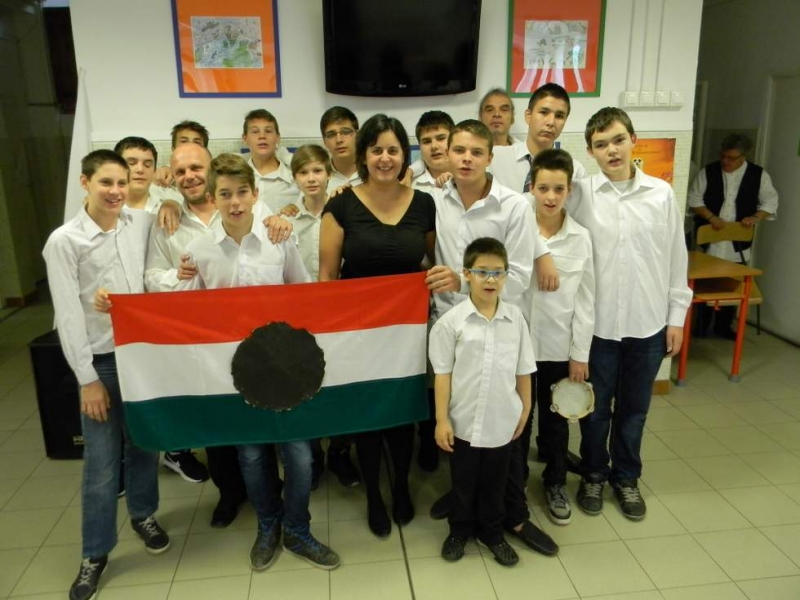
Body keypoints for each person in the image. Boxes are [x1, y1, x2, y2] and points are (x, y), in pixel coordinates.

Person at [176, 153, 339, 571]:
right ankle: (268, 524)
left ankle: (297, 528)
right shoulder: (200, 250)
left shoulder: (278, 239)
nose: (234, 202)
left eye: (242, 192)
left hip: (284, 369)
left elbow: (302, 293)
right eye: (225, 194)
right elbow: (190, 313)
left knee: (300, 456)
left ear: (254, 193)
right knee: (250, 456)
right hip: (235, 374)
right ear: (212, 197)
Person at [424, 119, 559, 557]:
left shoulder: (514, 206)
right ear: (446, 154)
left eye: (476, 152)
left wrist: (462, 281)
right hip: (451, 325)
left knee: (508, 433)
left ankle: (511, 515)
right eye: (458, 150)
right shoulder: (434, 197)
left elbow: (517, 276)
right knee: (460, 420)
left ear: (490, 157)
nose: (466, 159)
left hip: (500, 325)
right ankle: (465, 502)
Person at [145, 143, 292, 529]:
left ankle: (272, 496)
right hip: (212, 348)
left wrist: (282, 221)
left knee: (267, 430)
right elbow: (161, 283)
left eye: (196, 167)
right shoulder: (170, 221)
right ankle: (232, 495)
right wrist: (175, 277)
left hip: (266, 349)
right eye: (181, 171)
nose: (189, 176)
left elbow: (292, 276)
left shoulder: (259, 214)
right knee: (222, 428)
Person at [44, 150, 169, 600]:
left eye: (122, 182)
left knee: (144, 444)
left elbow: (151, 275)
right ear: (85, 183)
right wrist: (87, 380)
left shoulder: (140, 222)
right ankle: (94, 553)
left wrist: (171, 206)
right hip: (101, 362)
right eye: (106, 183)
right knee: (100, 463)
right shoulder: (65, 241)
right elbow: (67, 316)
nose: (116, 191)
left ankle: (143, 515)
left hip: (141, 356)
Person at [569, 107, 692, 520]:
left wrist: (676, 318)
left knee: (634, 411)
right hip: (598, 328)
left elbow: (676, 259)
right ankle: (593, 474)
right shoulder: (581, 195)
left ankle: (626, 478)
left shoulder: (660, 194)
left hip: (648, 325)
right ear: (590, 151)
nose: (612, 150)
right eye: (601, 144)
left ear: (633, 140)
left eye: (618, 140)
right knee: (594, 410)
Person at [319, 113, 436, 537]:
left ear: (404, 155)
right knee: (367, 416)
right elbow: (326, 277)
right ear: (363, 156)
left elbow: (431, 262)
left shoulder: (424, 204)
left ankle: (400, 487)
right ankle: (373, 494)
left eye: (393, 150)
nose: (385, 158)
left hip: (406, 332)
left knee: (402, 414)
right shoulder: (340, 205)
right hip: (358, 332)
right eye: (376, 150)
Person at [430, 237, 535, 567]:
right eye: (482, 272)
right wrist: (442, 420)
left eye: (498, 272)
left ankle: (493, 533)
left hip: (502, 420)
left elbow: (523, 369)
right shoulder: (451, 323)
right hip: (463, 421)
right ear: (466, 274)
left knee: (494, 483)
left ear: (506, 276)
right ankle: (459, 530)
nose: (490, 280)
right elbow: (443, 375)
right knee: (463, 483)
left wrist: (525, 409)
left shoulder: (516, 319)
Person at [524, 149, 595, 525]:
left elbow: (586, 300)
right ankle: (514, 482)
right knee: (519, 418)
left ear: (570, 191)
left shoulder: (581, 238)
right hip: (518, 346)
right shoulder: (517, 227)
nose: (550, 197)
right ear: (531, 188)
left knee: (555, 422)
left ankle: (555, 482)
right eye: (543, 188)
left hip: (557, 346)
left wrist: (579, 354)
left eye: (559, 189)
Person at [687, 133, 779, 339]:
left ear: (743, 157)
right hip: (710, 238)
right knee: (706, 281)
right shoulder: (708, 171)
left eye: (731, 158)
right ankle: (701, 326)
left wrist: (755, 217)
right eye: (723, 156)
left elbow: (771, 201)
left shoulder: (758, 175)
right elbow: (694, 198)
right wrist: (711, 217)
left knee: (733, 281)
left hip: (738, 242)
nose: (725, 161)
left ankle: (723, 326)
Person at [490, 83, 588, 194]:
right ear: (528, 116)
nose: (551, 122)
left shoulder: (575, 172)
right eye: (544, 112)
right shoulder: (495, 158)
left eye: (559, 116)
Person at [242, 109, 297, 213]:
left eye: (268, 131)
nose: (262, 136)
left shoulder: (296, 177)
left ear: (277, 138)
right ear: (245, 138)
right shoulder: (235, 178)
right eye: (255, 132)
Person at [408, 110, 455, 195]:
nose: (434, 146)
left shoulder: (469, 178)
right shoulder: (410, 185)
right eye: (426, 141)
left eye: (441, 138)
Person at [321, 106, 362, 192]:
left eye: (346, 132)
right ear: (324, 141)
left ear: (358, 136)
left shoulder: (374, 173)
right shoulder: (317, 177)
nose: (339, 140)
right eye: (331, 134)